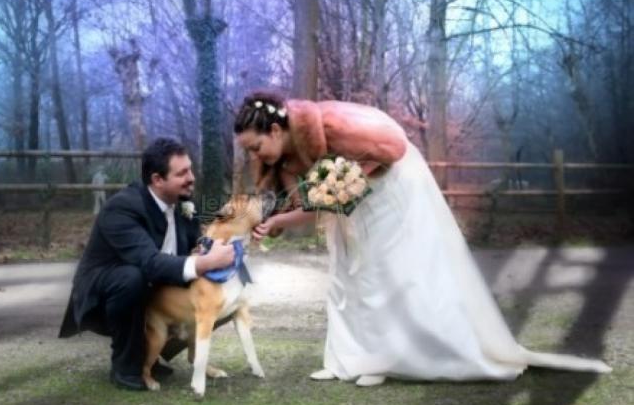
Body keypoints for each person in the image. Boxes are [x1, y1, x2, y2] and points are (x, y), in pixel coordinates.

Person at [234, 91, 611, 387]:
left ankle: (393, 357)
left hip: (391, 185)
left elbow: (389, 151)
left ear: (277, 131)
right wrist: (277, 217)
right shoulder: (289, 154)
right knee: (349, 269)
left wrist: (321, 197)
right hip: (356, 184)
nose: (255, 156)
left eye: (255, 147)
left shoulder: (334, 125)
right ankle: (352, 358)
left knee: (385, 270)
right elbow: (321, 198)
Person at [58, 138, 236, 391]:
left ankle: (150, 353)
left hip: (152, 288)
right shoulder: (122, 207)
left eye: (190, 170)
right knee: (133, 277)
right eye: (182, 173)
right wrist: (204, 262)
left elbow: (196, 249)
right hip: (106, 293)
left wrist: (238, 236)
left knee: (218, 286)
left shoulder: (185, 203)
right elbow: (150, 263)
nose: (191, 177)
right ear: (157, 179)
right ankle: (126, 366)